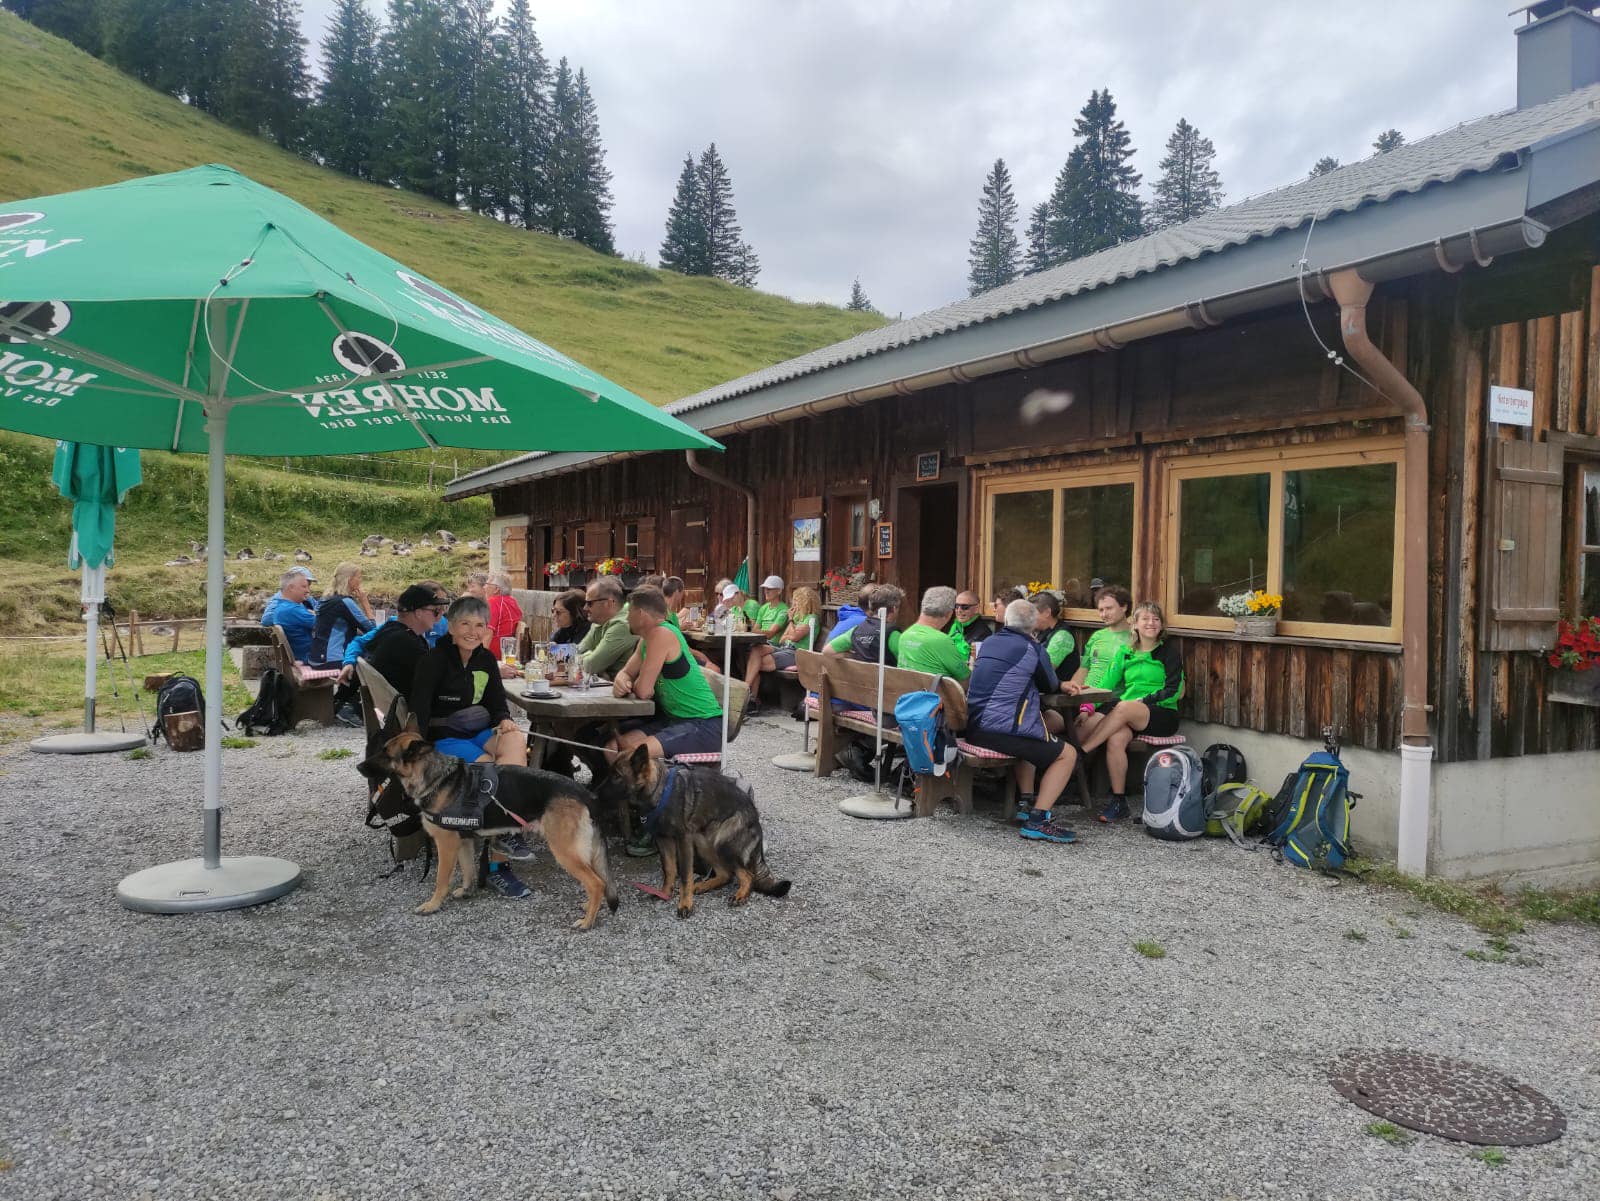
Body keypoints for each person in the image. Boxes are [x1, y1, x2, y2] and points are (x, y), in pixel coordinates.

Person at [409, 595, 533, 897]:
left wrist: (505, 719)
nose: (472, 632)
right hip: (445, 738)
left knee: (515, 741)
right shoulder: (433, 661)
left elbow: (496, 702)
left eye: (479, 625)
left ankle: (504, 832)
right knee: (494, 774)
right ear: (450, 627)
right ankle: (498, 865)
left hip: (479, 731)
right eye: (465, 624)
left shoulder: (485, 659)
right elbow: (419, 712)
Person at [964, 599, 1078, 844]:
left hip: (973, 726)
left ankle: (1026, 801)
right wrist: (1062, 684)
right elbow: (1049, 684)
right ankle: (1038, 820)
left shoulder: (989, 642)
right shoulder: (1033, 649)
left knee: (1036, 729)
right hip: (1001, 730)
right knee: (1067, 754)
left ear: (1006, 620)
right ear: (1034, 625)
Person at [1077, 601, 1185, 824]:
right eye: (1145, 618)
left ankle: (1083, 752)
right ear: (1134, 624)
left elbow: (1175, 691)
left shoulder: (1169, 652)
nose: (1151, 623)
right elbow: (1106, 684)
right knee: (1116, 739)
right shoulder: (1125, 652)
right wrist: (1088, 706)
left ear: (1162, 625)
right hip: (1128, 712)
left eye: (1156, 619)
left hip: (1162, 713)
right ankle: (1119, 802)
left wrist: (1144, 700)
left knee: (1124, 706)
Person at [342, 583, 447, 698]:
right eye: (436, 611)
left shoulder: (390, 630)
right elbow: (436, 681)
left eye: (443, 610)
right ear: (418, 613)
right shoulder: (406, 642)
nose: (440, 616)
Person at [1062, 585, 1135, 743]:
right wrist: (1069, 693)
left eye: (1109, 608)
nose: (1104, 614)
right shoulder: (1097, 636)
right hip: (1084, 696)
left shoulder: (1135, 637)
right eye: (1100, 610)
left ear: (1124, 607)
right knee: (1051, 722)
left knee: (1078, 735)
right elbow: (1084, 669)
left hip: (1111, 700)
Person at [744, 585, 821, 692]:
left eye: (796, 600)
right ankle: (748, 692)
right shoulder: (797, 618)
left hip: (797, 653)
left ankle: (747, 692)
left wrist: (790, 621)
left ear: (805, 602)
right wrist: (791, 632)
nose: (793, 603)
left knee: (755, 663)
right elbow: (782, 639)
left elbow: (795, 637)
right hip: (785, 648)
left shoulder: (811, 618)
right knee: (756, 650)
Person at [896, 586, 971, 682]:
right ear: (949, 614)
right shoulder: (941, 640)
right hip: (933, 691)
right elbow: (965, 678)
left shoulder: (905, 635)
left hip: (908, 690)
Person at [308, 562, 375, 669]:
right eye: (358, 577)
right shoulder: (344, 602)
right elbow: (372, 631)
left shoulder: (326, 598)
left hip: (315, 658)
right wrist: (365, 602)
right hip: (332, 660)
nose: (360, 580)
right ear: (349, 579)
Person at [577, 575, 633, 679]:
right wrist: (594, 659)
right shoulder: (599, 621)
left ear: (609, 603)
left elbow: (591, 666)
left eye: (589, 603)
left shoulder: (622, 625)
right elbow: (577, 651)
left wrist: (594, 662)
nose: (585, 608)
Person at [261, 566, 318, 662]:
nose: (308, 589)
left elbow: (318, 608)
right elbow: (266, 620)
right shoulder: (286, 605)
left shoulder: (302, 599)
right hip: (308, 657)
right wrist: (302, 615)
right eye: (304, 585)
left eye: (309, 585)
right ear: (292, 586)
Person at [1031, 591, 1080, 677]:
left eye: (1033, 613)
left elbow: (1043, 671)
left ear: (1047, 612)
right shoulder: (1043, 631)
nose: (1029, 618)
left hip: (1060, 685)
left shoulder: (1062, 636)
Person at [949, 590, 996, 661]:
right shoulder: (955, 625)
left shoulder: (983, 634)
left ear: (976, 609)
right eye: (956, 606)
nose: (959, 610)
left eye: (965, 607)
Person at [485, 571, 524, 658]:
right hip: (509, 654)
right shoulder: (513, 602)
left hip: (493, 656)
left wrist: (478, 659)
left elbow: (487, 634)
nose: (484, 587)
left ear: (496, 589)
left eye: (487, 584)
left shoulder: (493, 602)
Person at [753, 576, 789, 640]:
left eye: (769, 589)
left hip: (772, 644)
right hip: (760, 642)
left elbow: (770, 634)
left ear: (779, 591)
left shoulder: (784, 610)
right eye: (765, 588)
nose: (766, 591)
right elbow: (754, 630)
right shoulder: (763, 608)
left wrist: (757, 631)